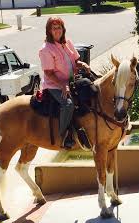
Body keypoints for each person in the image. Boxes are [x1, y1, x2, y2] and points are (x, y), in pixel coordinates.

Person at [39, 17, 91, 149]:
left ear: (63, 29)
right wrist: (63, 85)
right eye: (54, 28)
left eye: (59, 27)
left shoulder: (67, 42)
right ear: (49, 31)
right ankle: (62, 135)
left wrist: (83, 64)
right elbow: (49, 73)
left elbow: (75, 61)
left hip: (70, 81)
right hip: (53, 85)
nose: (57, 30)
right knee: (68, 104)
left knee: (90, 89)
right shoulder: (46, 49)